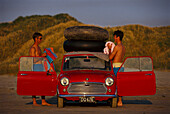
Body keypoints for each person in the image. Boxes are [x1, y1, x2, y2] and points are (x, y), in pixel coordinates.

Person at [29, 32, 51, 106]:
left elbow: (40, 58)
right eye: (40, 38)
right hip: (35, 67)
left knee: (43, 83)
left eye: (41, 38)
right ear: (36, 39)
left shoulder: (39, 47)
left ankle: (43, 101)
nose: (41, 40)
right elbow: (33, 60)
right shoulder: (33, 48)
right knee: (35, 84)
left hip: (41, 67)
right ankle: (34, 101)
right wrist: (42, 55)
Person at [107, 30, 125, 107]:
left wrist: (110, 49)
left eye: (114, 36)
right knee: (120, 84)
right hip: (121, 66)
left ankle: (119, 101)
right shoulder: (123, 47)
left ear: (118, 37)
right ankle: (120, 100)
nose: (114, 38)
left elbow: (110, 57)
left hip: (116, 66)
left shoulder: (117, 47)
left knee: (115, 84)